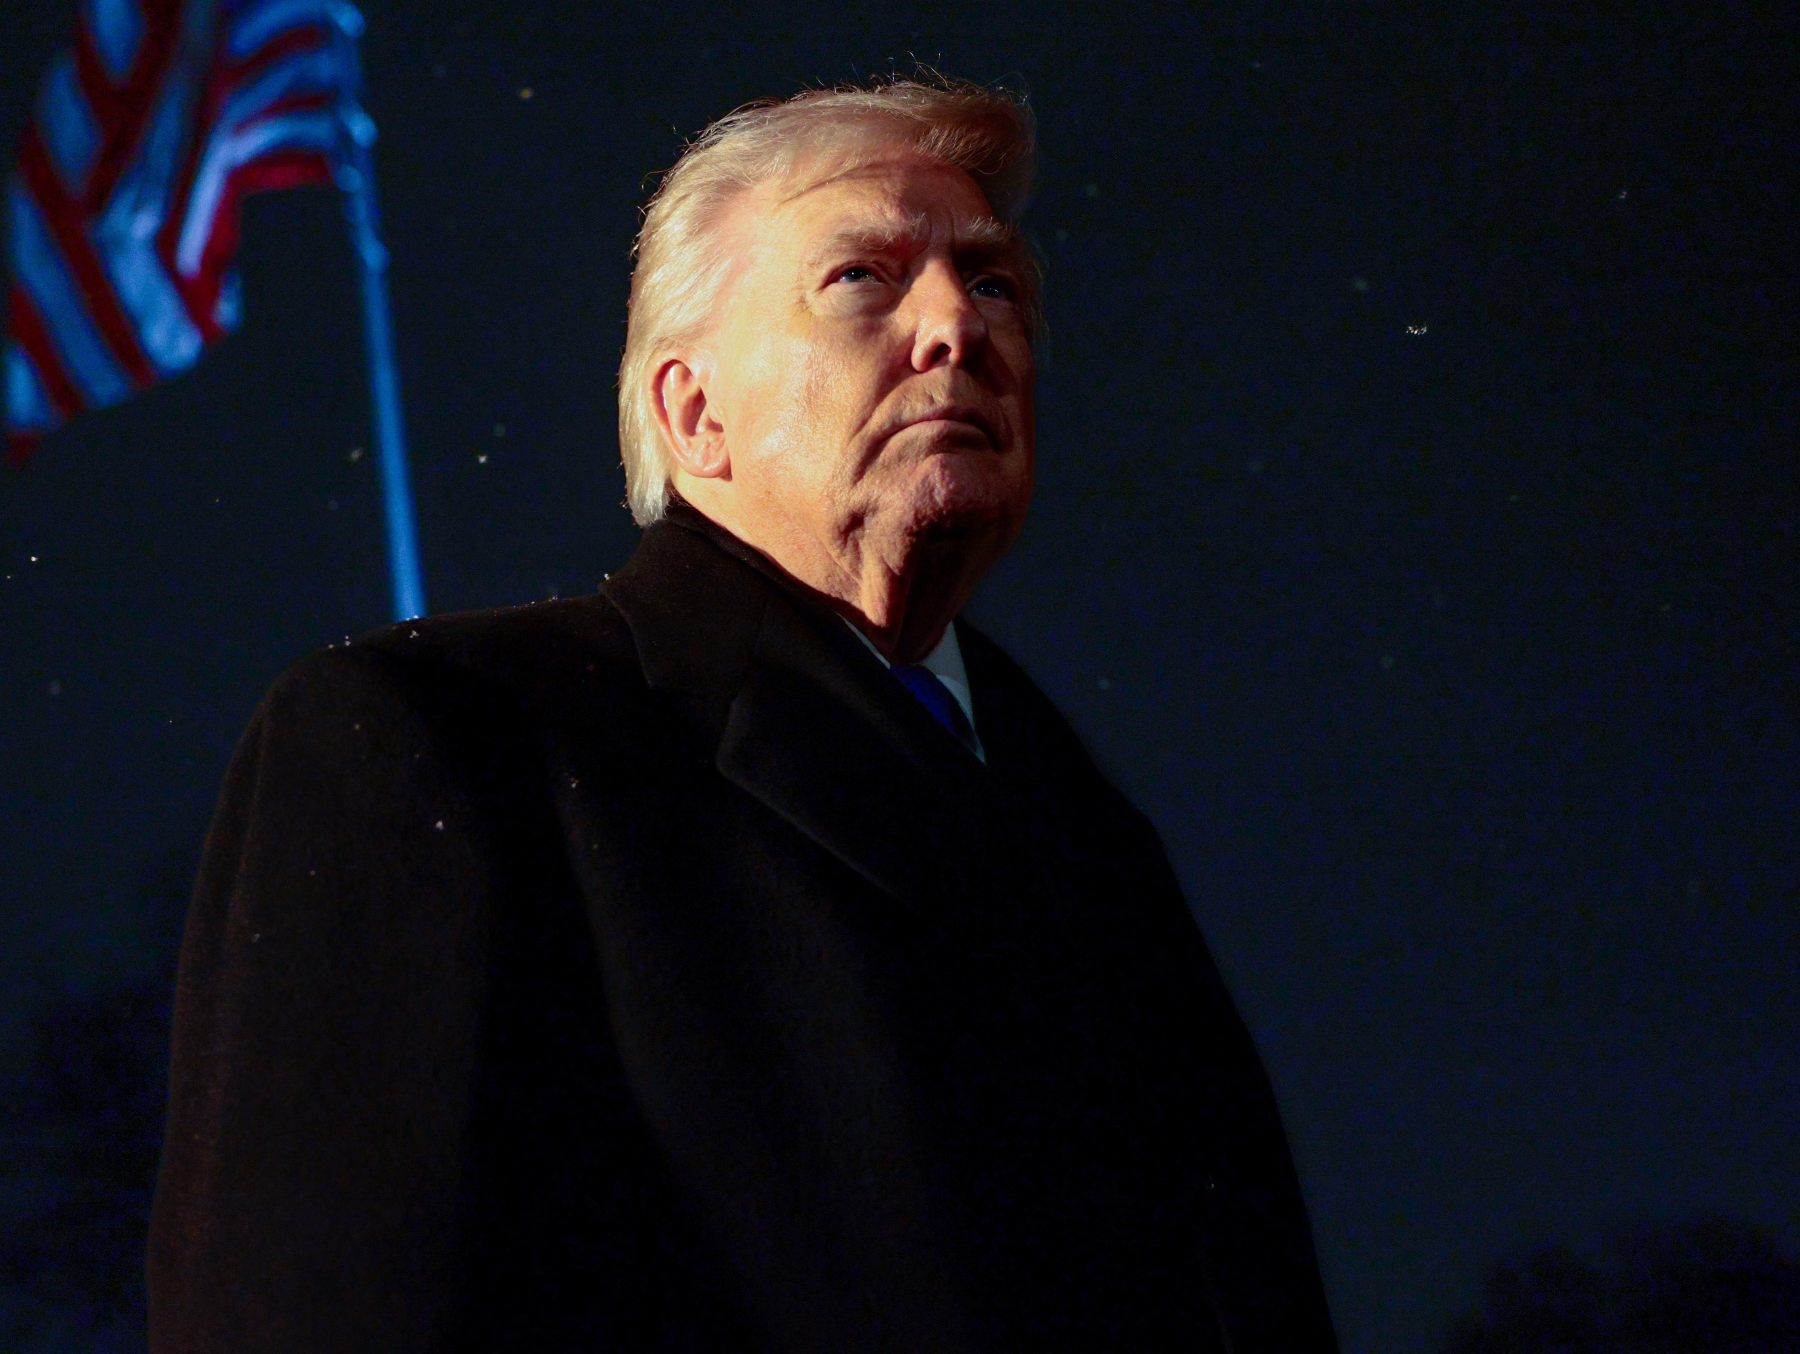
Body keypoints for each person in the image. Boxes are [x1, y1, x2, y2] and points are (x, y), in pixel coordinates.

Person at [148, 77, 1340, 1352]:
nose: (958, 323)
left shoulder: (1098, 838)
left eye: (992, 283)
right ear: (692, 413)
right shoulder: (437, 741)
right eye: (863, 281)